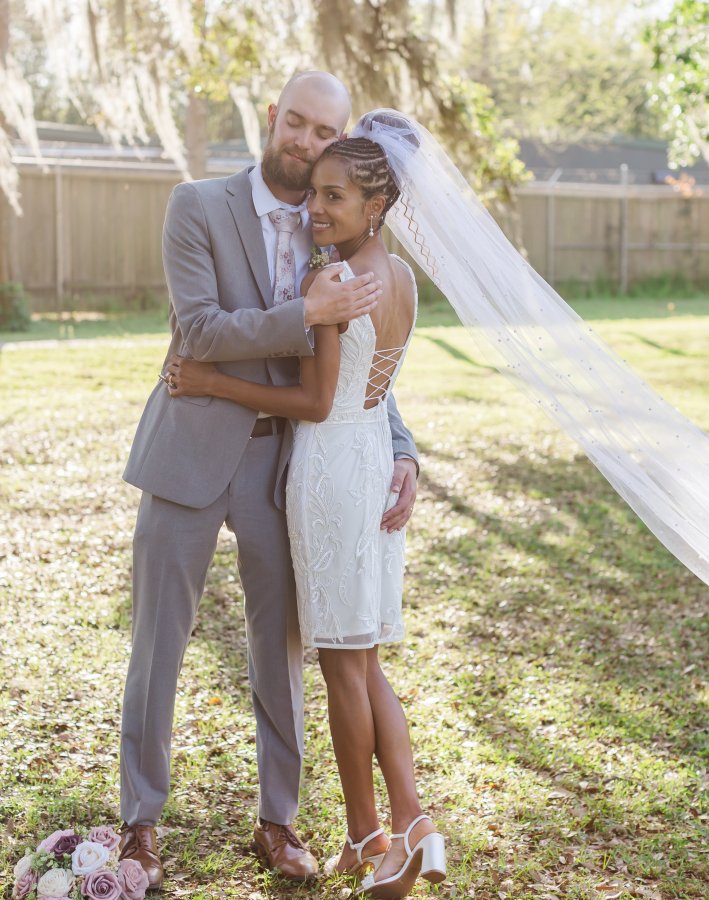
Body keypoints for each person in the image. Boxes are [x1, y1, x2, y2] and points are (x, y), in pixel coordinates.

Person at [118, 76, 419, 889]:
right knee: (158, 648)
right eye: (295, 121)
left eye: (323, 129)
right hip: (186, 451)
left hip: (282, 465)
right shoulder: (197, 206)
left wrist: (404, 447)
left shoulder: (336, 226)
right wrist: (306, 315)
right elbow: (203, 330)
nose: (304, 139)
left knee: (280, 654)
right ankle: (141, 822)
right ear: (272, 119)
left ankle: (279, 821)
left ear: (337, 142)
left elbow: (364, 368)